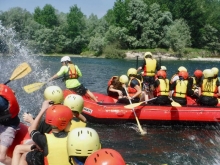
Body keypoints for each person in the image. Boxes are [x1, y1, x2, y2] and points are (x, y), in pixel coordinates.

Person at [0, 84, 20, 165]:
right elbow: (13, 92)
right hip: (3, 121)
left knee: (1, 157)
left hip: (9, 127)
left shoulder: (1, 103)